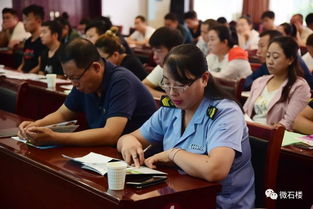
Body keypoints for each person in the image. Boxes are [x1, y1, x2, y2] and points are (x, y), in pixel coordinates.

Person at [117, 44, 255, 209]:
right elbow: (129, 137)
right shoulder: (171, 109)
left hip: (220, 203)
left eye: (181, 84)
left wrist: (174, 154)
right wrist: (129, 143)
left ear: (204, 79)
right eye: (167, 83)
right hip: (180, 195)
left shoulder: (225, 113)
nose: (172, 92)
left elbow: (215, 169)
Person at [17, 38, 157, 146]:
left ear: (96, 67)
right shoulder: (84, 81)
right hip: (110, 151)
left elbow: (111, 134)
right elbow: (63, 114)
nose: (73, 83)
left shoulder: (121, 81)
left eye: (75, 77)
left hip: (139, 154)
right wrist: (35, 125)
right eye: (69, 78)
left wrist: (55, 137)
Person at [244, 36, 310, 130]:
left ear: (290, 60)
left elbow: (289, 122)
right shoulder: (259, 81)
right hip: (250, 131)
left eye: (275, 57)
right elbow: (245, 111)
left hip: (272, 136)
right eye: (268, 56)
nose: (270, 61)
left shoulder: (299, 87)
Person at [244, 30, 313, 90]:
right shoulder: (267, 64)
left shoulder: (293, 62)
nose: (258, 52)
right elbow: (248, 81)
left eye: (262, 46)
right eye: (258, 46)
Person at [142, 27, 183, 98]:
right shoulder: (162, 67)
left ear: (173, 50)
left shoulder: (189, 70)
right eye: (154, 51)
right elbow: (142, 86)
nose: (154, 57)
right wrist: (169, 98)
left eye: (158, 51)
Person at [17, 4, 46, 73]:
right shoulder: (27, 41)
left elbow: (41, 65)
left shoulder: (44, 41)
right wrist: (18, 72)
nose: (24, 23)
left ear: (38, 21)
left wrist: (27, 76)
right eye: (23, 19)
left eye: (27, 19)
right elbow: (23, 63)